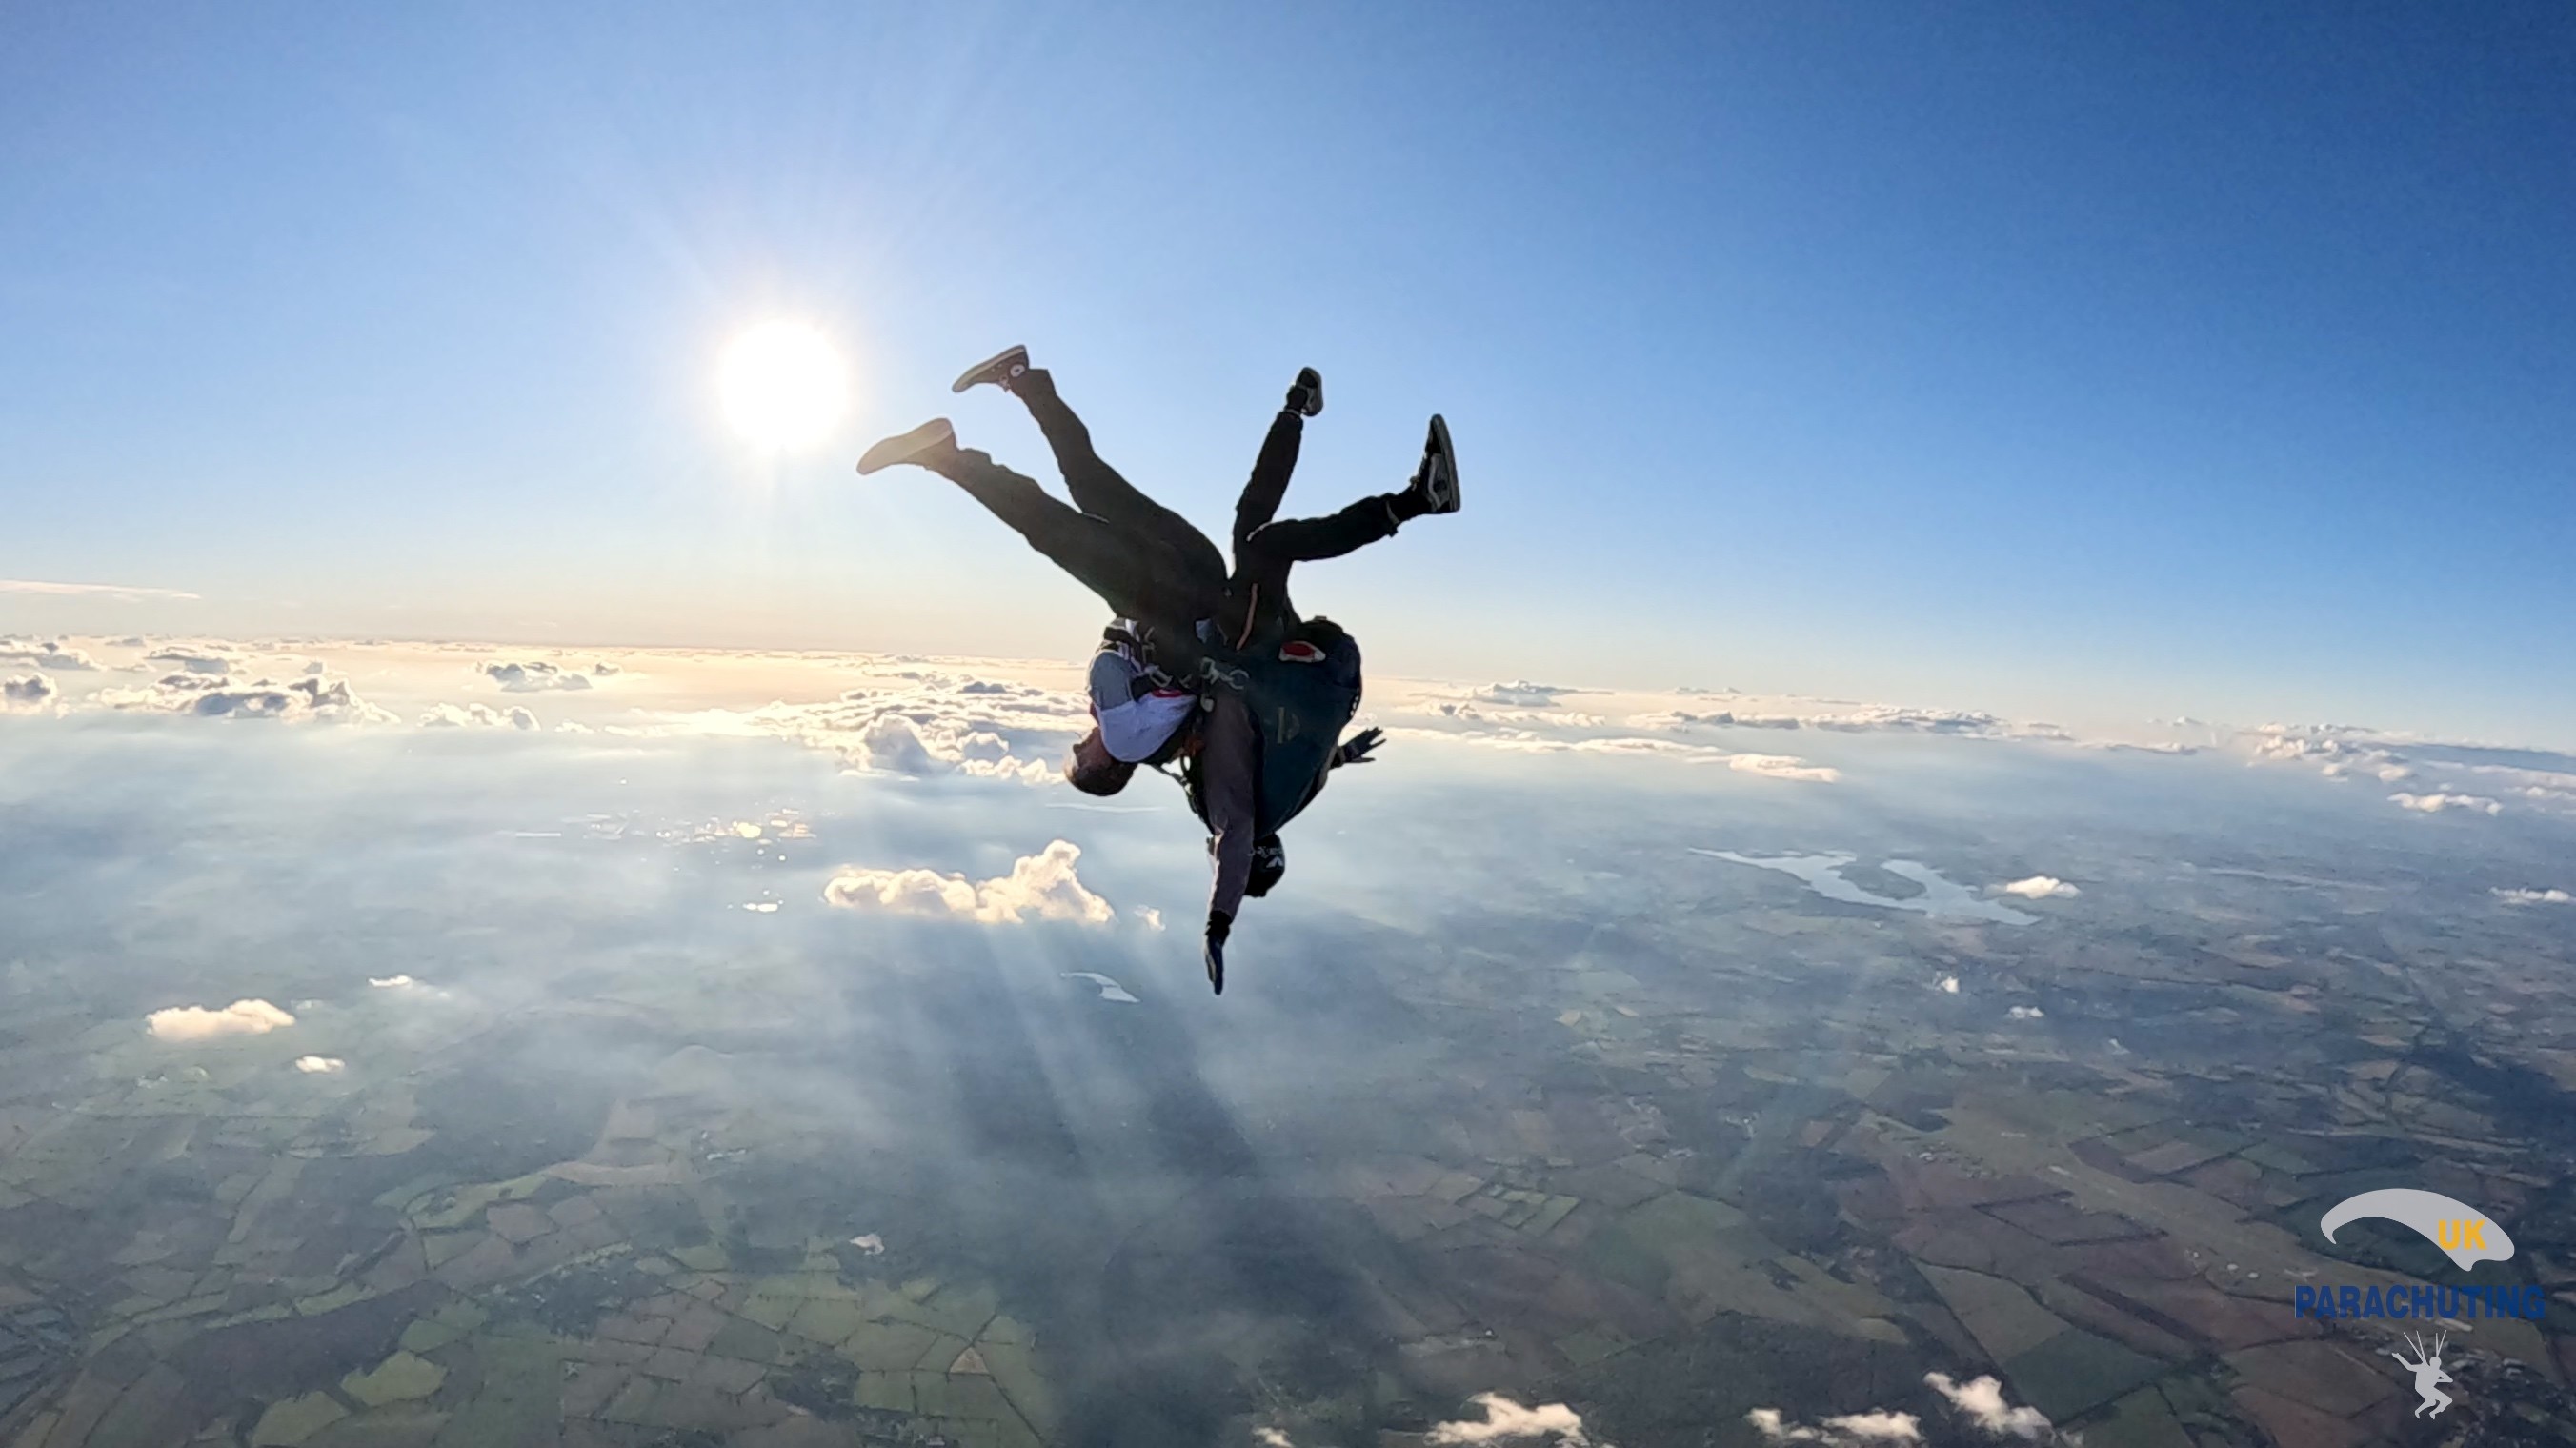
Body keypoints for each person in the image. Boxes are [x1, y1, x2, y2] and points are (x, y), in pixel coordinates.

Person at [856, 347, 1459, 991]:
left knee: (1218, 523)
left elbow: (1311, 768)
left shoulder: (1283, 789)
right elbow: (1231, 850)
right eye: (1080, 754)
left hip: (1214, 597)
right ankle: (1414, 500)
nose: (1078, 741)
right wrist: (1217, 926)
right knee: (1061, 523)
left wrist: (1345, 752)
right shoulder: (1230, 804)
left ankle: (1283, 410)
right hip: (1189, 607)